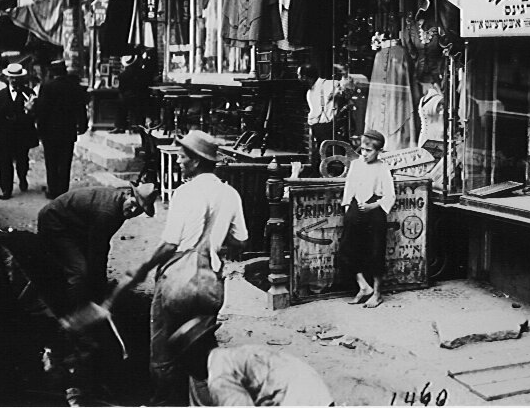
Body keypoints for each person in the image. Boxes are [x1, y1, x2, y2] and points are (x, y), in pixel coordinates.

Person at [106, 129, 248, 405]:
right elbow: (242, 241)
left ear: (196, 161)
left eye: (183, 157)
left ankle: (163, 403)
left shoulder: (184, 193)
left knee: (162, 352)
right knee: (200, 352)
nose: (179, 161)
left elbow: (170, 243)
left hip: (177, 282)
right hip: (210, 283)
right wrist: (215, 237)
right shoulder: (230, 194)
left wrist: (142, 269)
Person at [37, 183, 158, 315]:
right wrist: (100, 296)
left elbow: (101, 244)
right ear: (128, 195)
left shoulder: (120, 205)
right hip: (54, 223)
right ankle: (72, 316)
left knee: (89, 268)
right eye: (134, 204)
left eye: (139, 210)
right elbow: (97, 252)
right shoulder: (107, 211)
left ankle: (83, 299)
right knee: (80, 272)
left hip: (75, 226)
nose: (134, 211)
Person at [169, 319, 333, 406]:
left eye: (185, 364)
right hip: (311, 388)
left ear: (193, 358)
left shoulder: (219, 377)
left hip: (299, 399)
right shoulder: (232, 355)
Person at [338, 128, 395, 309]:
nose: (364, 153)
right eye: (362, 149)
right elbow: (349, 187)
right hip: (356, 208)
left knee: (375, 251)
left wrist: (373, 206)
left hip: (374, 210)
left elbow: (390, 196)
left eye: (369, 151)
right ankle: (363, 286)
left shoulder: (383, 167)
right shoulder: (356, 165)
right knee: (348, 248)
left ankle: (377, 293)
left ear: (378, 152)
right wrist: (348, 208)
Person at [34, 61, 90, 199]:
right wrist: (82, 126)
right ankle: (63, 190)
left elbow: (41, 110)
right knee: (65, 161)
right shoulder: (74, 87)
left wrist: (39, 129)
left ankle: (53, 190)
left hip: (50, 131)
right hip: (68, 130)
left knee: (51, 161)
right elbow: (81, 109)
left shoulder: (47, 87)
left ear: (52, 72)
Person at [0, 63, 39, 199]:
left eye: (17, 78)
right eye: (11, 78)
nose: (14, 80)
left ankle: (22, 178)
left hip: (22, 134)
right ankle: (6, 189)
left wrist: (30, 110)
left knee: (22, 160)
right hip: (5, 134)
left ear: (22, 79)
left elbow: (35, 116)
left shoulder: (28, 94)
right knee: (5, 162)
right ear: (7, 78)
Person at [298, 63, 341, 176]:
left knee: (326, 153)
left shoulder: (328, 85)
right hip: (319, 127)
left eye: (299, 76)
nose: (299, 79)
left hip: (326, 125)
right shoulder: (309, 92)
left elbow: (342, 87)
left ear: (305, 77)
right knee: (321, 153)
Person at [112, 54, 149, 134]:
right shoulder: (143, 73)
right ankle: (139, 125)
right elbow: (146, 86)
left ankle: (120, 126)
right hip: (140, 99)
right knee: (140, 107)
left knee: (120, 106)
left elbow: (121, 89)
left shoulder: (122, 75)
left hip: (127, 98)